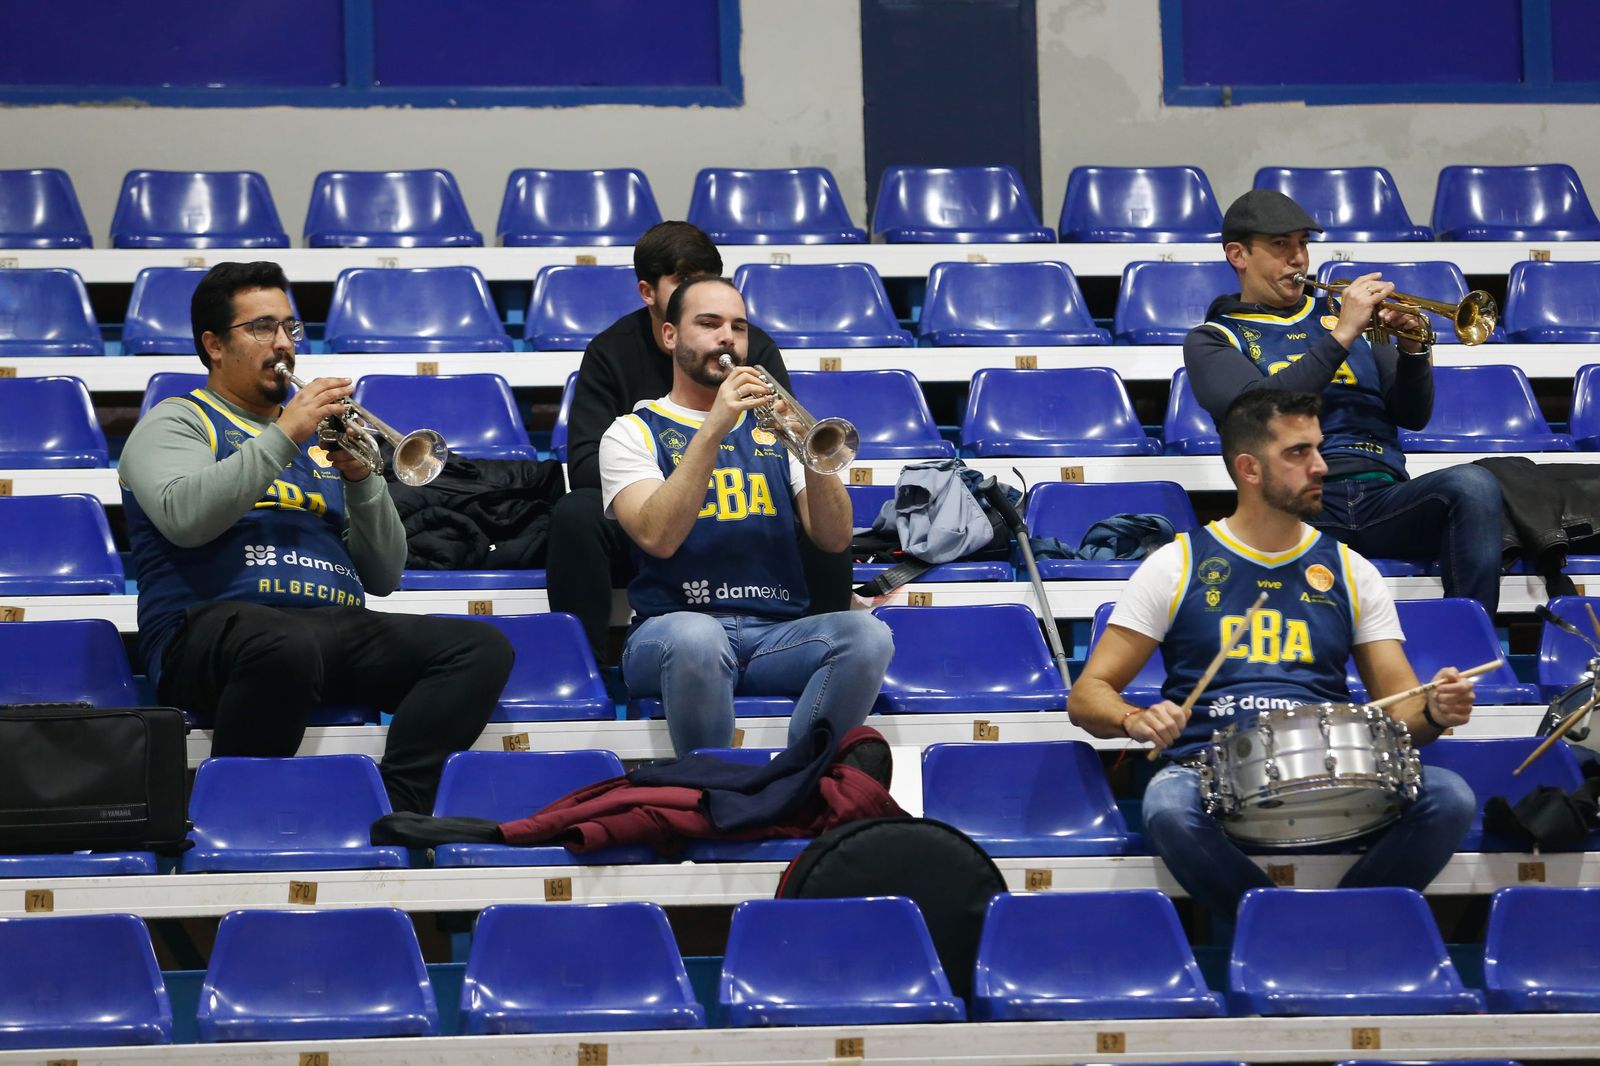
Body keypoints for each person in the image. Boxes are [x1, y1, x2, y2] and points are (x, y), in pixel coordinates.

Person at [119, 261, 513, 814]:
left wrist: (360, 479)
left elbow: (385, 576)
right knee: (282, 643)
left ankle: (399, 809)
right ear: (212, 345)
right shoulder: (176, 422)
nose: (282, 343)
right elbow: (187, 519)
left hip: (329, 632)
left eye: (289, 327)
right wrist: (285, 434)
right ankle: (238, 812)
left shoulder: (322, 442)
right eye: (261, 328)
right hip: (209, 630)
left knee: (481, 648)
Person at [1068, 389, 1476, 917]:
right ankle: (1273, 927)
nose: (1321, 466)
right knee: (1167, 805)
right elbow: (1087, 696)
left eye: (1318, 449)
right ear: (1249, 469)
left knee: (1451, 797)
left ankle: (1337, 922)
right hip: (1205, 768)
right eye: (1297, 453)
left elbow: (1400, 710)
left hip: (1328, 766)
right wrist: (1136, 718)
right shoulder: (1176, 564)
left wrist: (1433, 711)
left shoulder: (1352, 570)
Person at [599, 275, 894, 755]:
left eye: (738, 327)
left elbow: (835, 539)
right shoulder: (631, 432)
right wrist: (716, 424)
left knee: (868, 636)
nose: (727, 339)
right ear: (670, 336)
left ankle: (801, 780)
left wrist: (808, 448)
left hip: (775, 635)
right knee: (698, 636)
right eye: (709, 324)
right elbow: (658, 536)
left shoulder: (772, 427)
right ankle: (712, 788)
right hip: (671, 630)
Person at [1184, 188, 1504, 613]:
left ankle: (1466, 643)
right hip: (1297, 505)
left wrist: (1411, 351)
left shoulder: (1348, 318)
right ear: (1238, 255)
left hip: (1384, 499)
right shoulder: (1214, 338)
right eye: (1280, 245)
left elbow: (1413, 414)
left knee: (1474, 485)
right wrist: (1341, 337)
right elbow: (1255, 410)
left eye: (1302, 244)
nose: (1297, 258)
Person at [548, 221, 852, 660]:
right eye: (684, 280)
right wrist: (658, 470)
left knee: (811, 494)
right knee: (575, 513)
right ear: (648, 293)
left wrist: (806, 453)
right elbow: (582, 464)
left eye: (708, 276)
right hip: (643, 500)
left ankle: (815, 642)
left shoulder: (752, 345)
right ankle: (581, 665)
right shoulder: (610, 350)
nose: (727, 336)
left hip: (740, 491)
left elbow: (782, 432)